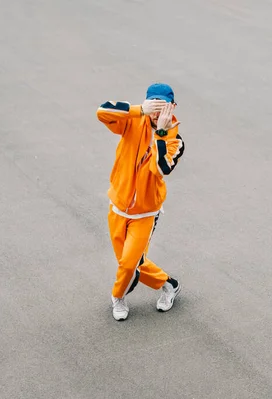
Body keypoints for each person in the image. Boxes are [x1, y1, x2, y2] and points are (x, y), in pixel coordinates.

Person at [96, 82, 184, 321]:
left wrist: (162, 133)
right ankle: (169, 284)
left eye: (163, 107)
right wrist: (139, 109)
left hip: (144, 214)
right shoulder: (134, 120)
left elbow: (161, 168)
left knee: (128, 264)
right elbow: (102, 111)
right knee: (130, 262)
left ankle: (118, 297)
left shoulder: (175, 139)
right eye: (154, 106)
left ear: (173, 107)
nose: (157, 112)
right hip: (117, 206)